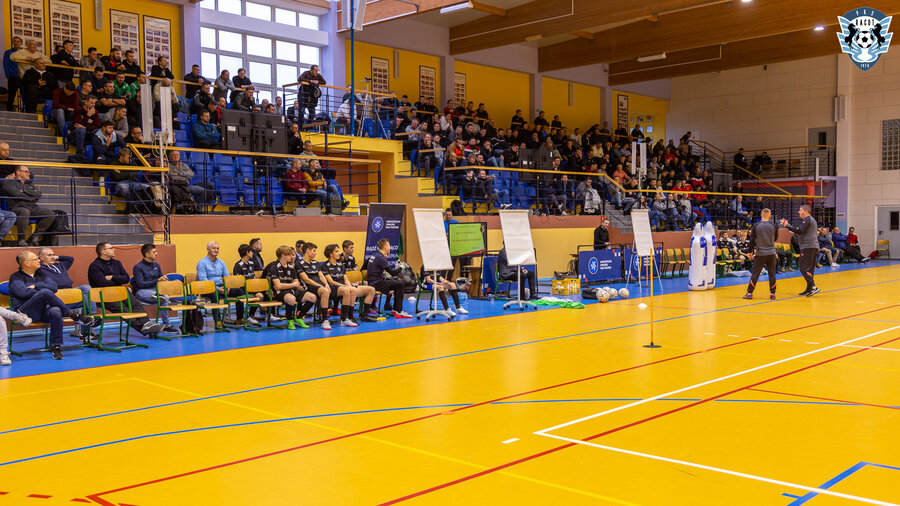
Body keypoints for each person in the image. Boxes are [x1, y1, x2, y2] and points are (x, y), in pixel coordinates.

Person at [10, 251, 96, 360]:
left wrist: (36, 286)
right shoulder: (16, 277)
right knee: (45, 292)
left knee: (55, 310)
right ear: (27, 263)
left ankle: (56, 346)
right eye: (36, 259)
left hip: (44, 311)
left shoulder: (41, 274)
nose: (39, 261)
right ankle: (72, 314)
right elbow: (23, 293)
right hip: (26, 313)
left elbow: (54, 287)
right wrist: (42, 292)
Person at [88, 242, 165, 337]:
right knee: (124, 310)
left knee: (136, 304)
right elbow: (102, 283)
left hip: (120, 292)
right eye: (111, 248)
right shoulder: (95, 266)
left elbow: (126, 278)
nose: (114, 249)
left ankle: (146, 323)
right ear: (104, 251)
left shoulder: (117, 263)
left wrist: (112, 277)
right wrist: (117, 279)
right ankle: (143, 328)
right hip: (105, 296)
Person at [38, 246, 96, 339]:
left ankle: (91, 319)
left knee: (86, 288)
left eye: (53, 255)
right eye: (49, 255)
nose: (52, 257)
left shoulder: (60, 265)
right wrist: (38, 260)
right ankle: (89, 324)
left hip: (70, 295)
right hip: (56, 298)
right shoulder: (39, 268)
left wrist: (56, 257)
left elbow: (70, 259)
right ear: (41, 257)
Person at [2, 165, 60, 246]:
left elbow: (38, 194)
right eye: (26, 172)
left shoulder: (29, 184)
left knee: (50, 213)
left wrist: (23, 191)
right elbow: (17, 194)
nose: (29, 174)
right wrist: (30, 196)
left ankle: (34, 237)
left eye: (29, 172)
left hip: (31, 208)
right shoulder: (9, 183)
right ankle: (21, 240)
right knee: (24, 212)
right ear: (18, 172)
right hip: (16, 208)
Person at [322, 243, 377, 325]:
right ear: (330, 254)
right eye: (336, 251)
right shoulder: (325, 266)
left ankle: (364, 315)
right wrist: (346, 286)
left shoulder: (340, 265)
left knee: (371, 289)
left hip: (345, 287)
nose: (339, 253)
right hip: (334, 288)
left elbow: (346, 279)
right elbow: (331, 281)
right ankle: (347, 317)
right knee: (350, 290)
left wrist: (349, 285)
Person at [265, 245, 317, 330]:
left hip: (292, 291)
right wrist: (292, 285)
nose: (292, 257)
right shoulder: (274, 267)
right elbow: (278, 286)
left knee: (313, 297)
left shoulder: (291, 267)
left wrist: (290, 285)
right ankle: (290, 320)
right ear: (283, 255)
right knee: (291, 299)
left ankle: (299, 318)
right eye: (289, 254)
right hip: (280, 293)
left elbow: (297, 283)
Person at [132, 244, 181, 333]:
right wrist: (157, 281)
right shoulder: (138, 267)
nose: (157, 253)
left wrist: (164, 279)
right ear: (147, 254)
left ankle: (166, 325)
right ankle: (157, 297)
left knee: (165, 297)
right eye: (154, 252)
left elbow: (160, 278)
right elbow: (140, 284)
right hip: (142, 291)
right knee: (163, 297)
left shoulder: (156, 265)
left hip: (156, 289)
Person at [365, 239, 411, 318]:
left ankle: (395, 309)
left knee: (396, 283)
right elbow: (393, 273)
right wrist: (401, 267)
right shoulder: (380, 258)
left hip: (374, 281)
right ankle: (398, 311)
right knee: (400, 285)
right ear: (386, 247)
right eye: (389, 246)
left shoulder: (375, 255)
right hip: (376, 283)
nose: (390, 248)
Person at [780, 205, 820, 296]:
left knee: (803, 268)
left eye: (800, 210)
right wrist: (795, 231)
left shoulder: (807, 219)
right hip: (812, 246)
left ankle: (813, 287)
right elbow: (802, 231)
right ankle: (809, 289)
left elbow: (800, 231)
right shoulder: (811, 220)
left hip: (808, 246)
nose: (798, 212)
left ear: (806, 211)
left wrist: (787, 225)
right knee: (809, 269)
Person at [743, 209, 779, 300]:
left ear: (761, 215)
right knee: (772, 273)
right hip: (771, 253)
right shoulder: (774, 225)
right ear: (770, 215)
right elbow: (775, 238)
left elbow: (752, 240)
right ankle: (772, 293)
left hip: (760, 253)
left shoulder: (756, 225)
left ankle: (749, 293)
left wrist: (749, 252)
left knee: (755, 273)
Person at [296, 242, 333, 329]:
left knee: (332, 290)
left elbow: (321, 276)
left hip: (319, 286)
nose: (315, 253)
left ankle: (345, 317)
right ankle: (325, 320)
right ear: (308, 251)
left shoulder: (315, 263)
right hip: (308, 286)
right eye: (314, 251)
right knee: (324, 291)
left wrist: (326, 284)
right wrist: (320, 286)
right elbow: (306, 279)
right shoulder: (299, 263)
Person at [196, 241, 229, 329]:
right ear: (208, 249)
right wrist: (217, 288)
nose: (216, 250)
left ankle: (240, 319)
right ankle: (218, 321)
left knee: (239, 291)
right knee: (215, 294)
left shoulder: (221, 262)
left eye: (218, 248)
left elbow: (226, 276)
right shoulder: (202, 263)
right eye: (214, 248)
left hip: (220, 286)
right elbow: (203, 280)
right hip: (206, 288)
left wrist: (228, 286)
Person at [231, 244, 262, 326]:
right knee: (242, 294)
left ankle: (251, 316)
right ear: (247, 252)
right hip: (242, 289)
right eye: (251, 251)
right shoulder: (238, 265)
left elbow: (253, 277)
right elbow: (238, 282)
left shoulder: (251, 263)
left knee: (261, 295)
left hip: (252, 288)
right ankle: (240, 317)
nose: (252, 253)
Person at [4, 36, 23, 112]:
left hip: (22, 77)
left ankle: (25, 111)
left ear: (21, 43)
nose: (16, 43)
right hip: (12, 76)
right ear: (12, 42)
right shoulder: (8, 52)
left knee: (24, 95)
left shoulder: (23, 53)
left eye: (18, 41)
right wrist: (8, 76)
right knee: (11, 96)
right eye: (14, 41)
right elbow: (5, 64)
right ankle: (9, 111)